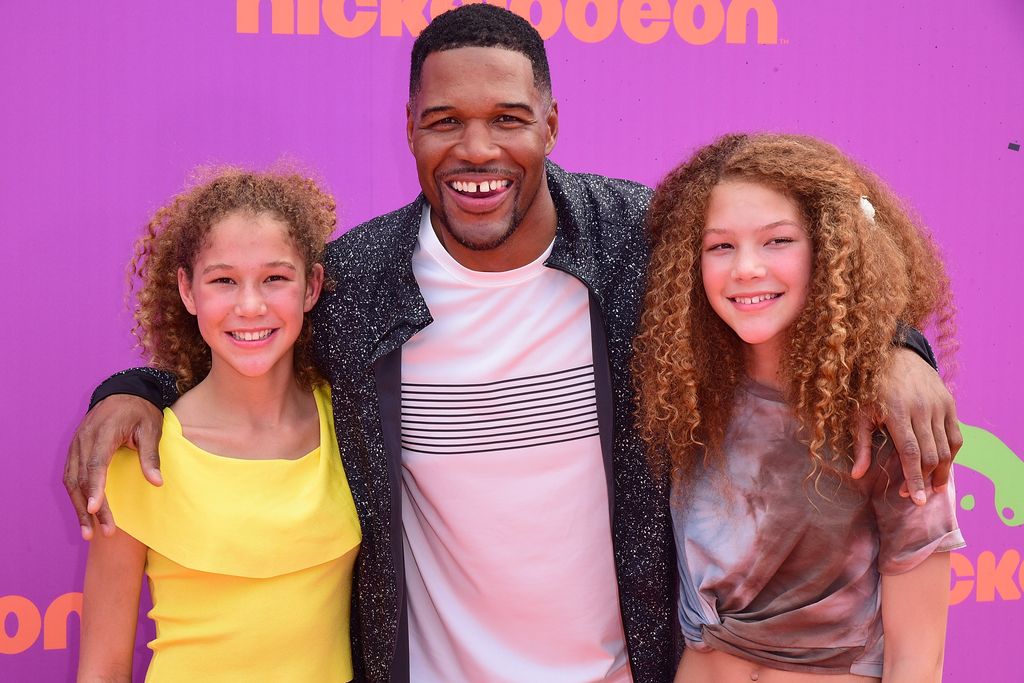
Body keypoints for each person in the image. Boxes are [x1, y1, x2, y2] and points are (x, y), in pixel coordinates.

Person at [64, 7, 961, 683]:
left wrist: (894, 347)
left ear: (552, 123)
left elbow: (775, 290)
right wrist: (133, 387)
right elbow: (246, 347)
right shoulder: (359, 280)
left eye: (507, 117)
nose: (477, 148)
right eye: (445, 120)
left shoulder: (637, 241)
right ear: (410, 128)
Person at [633, 133, 965, 683]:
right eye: (720, 246)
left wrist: (898, 353)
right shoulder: (681, 395)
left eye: (777, 241)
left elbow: (917, 662)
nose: (745, 268)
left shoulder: (890, 416)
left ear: (832, 248)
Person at [76, 168, 361, 682]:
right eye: (223, 280)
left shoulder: (354, 430)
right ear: (187, 291)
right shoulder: (138, 455)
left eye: (275, 278)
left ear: (312, 286)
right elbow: (103, 669)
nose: (250, 306)